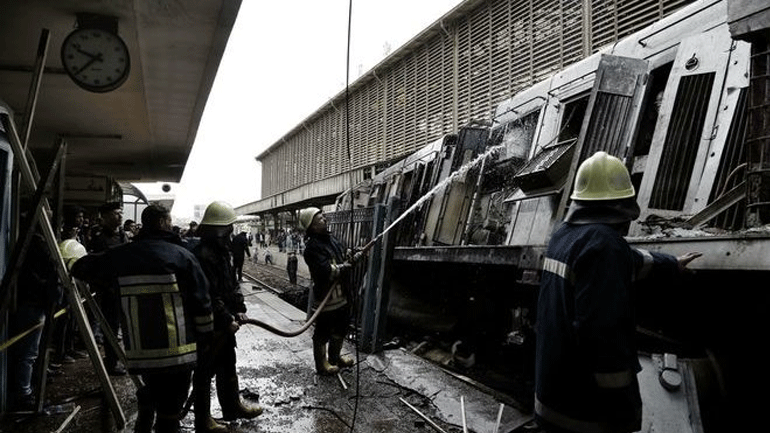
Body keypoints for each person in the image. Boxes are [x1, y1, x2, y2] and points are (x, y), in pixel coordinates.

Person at [534, 152, 701, 433]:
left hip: (552, 397)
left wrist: (671, 263)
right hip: (586, 413)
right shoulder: (605, 246)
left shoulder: (564, 235)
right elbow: (602, 336)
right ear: (621, 205)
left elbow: (628, 260)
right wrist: (623, 408)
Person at [71, 205, 214, 433]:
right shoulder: (182, 256)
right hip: (178, 352)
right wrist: (206, 340)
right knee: (171, 409)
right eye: (168, 221)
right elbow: (202, 302)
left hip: (141, 352)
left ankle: (145, 415)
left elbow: (81, 267)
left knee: (151, 390)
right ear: (161, 224)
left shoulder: (122, 255)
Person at [192, 201, 262, 433]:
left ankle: (232, 408)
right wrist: (225, 319)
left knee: (227, 365)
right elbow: (210, 294)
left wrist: (239, 307)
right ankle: (203, 419)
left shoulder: (221, 253)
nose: (231, 233)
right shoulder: (202, 256)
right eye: (228, 228)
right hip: (208, 326)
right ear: (218, 229)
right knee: (205, 371)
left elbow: (230, 284)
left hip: (222, 322)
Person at [7, 214, 59, 412]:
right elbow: (41, 276)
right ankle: (24, 393)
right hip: (33, 303)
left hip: (30, 301)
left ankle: (25, 387)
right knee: (28, 352)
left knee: (26, 351)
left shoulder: (24, 242)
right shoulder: (37, 246)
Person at [299, 207, 361, 375]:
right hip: (327, 297)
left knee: (341, 327)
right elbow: (323, 270)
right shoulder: (311, 248)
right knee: (323, 332)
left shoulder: (331, 239)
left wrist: (349, 254)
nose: (324, 220)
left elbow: (340, 254)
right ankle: (322, 364)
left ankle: (335, 357)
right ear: (311, 227)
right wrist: (343, 267)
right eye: (319, 219)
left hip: (342, 295)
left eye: (323, 217)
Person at [88, 201, 128, 375]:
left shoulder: (123, 236)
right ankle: (111, 363)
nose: (120, 216)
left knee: (122, 327)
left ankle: (118, 359)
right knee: (110, 328)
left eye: (121, 213)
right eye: (116, 213)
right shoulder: (98, 237)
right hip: (108, 290)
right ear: (104, 217)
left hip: (122, 288)